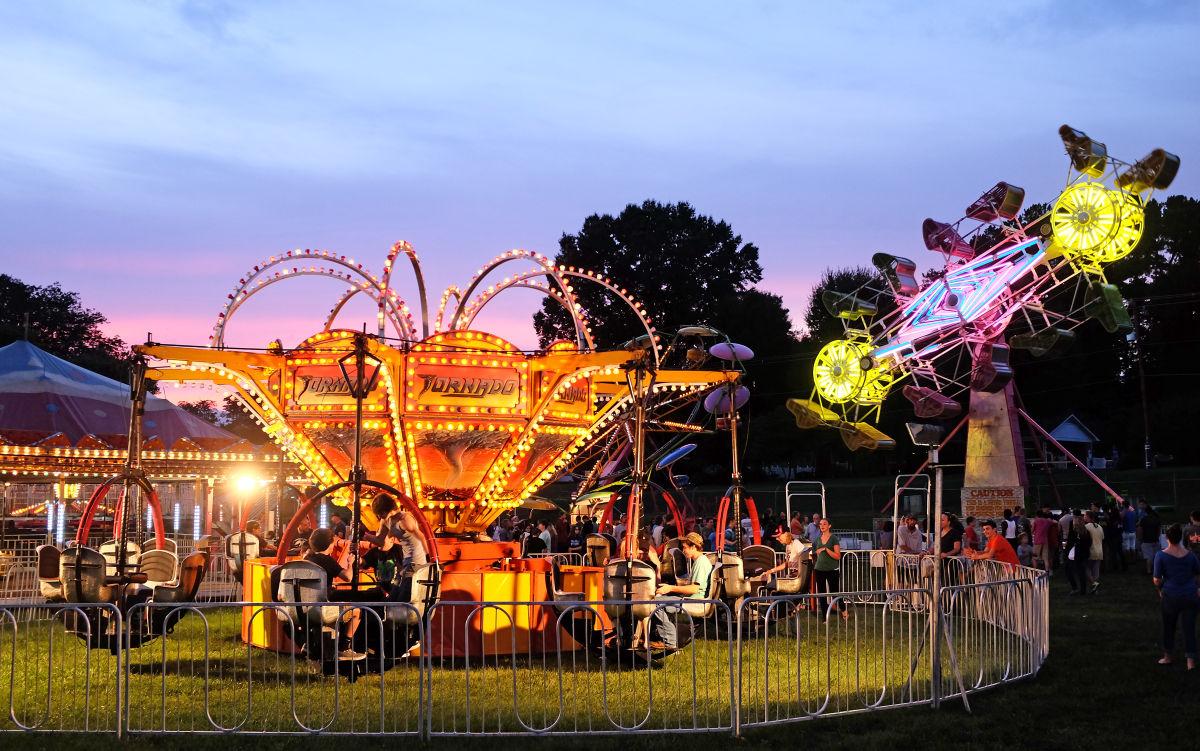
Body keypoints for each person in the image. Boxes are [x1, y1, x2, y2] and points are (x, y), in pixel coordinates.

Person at [305, 527, 364, 660]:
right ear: (330, 543)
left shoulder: (308, 558)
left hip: (307, 604)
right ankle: (344, 647)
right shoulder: (326, 559)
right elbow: (347, 577)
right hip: (322, 605)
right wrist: (350, 563)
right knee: (357, 611)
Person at [649, 532, 713, 650]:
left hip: (695, 601)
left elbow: (694, 588)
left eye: (685, 548)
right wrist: (669, 587)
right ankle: (664, 635)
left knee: (655, 603)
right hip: (693, 598)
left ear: (693, 547)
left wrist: (670, 588)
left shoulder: (701, 563)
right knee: (657, 600)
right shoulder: (699, 561)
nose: (683, 551)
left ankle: (669, 640)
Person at [1152, 524, 1200, 670]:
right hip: (1190, 595)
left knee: (1169, 627)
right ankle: (1190, 662)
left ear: (1166, 538)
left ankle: (1168, 657)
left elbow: (1157, 579)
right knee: (1189, 628)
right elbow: (1198, 573)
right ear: (1181, 537)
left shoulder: (1161, 555)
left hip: (1170, 596)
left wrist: (1160, 589)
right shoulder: (1190, 555)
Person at [371, 494, 428, 603]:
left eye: (380, 514)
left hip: (415, 564)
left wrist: (429, 558)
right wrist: (363, 535)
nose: (379, 517)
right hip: (406, 564)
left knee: (402, 598)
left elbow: (421, 537)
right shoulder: (386, 521)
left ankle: (402, 617)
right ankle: (390, 616)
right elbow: (380, 541)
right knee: (393, 596)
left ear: (385, 511)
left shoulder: (405, 519)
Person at [811, 518, 847, 621]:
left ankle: (844, 611)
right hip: (819, 569)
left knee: (835, 593)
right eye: (821, 524)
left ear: (829, 526)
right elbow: (814, 552)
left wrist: (826, 549)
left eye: (824, 524)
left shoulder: (833, 538)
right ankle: (824, 618)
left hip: (832, 569)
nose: (822, 526)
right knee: (822, 595)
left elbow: (838, 556)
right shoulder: (817, 540)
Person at [1138, 502, 1162, 574]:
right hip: (1155, 540)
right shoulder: (1157, 519)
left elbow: (1140, 530)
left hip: (1146, 540)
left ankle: (1149, 570)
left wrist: (1140, 539)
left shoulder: (1144, 519)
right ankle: (1156, 569)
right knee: (1155, 556)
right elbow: (1159, 530)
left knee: (1148, 557)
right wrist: (1157, 537)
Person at [1084, 511, 1104, 594]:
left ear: (1089, 517)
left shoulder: (1086, 527)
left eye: (1085, 516)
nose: (1084, 517)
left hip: (1090, 551)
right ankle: (1095, 590)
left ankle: (1094, 583)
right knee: (1096, 572)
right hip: (1099, 551)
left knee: (1085, 569)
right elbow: (1102, 538)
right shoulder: (1099, 527)